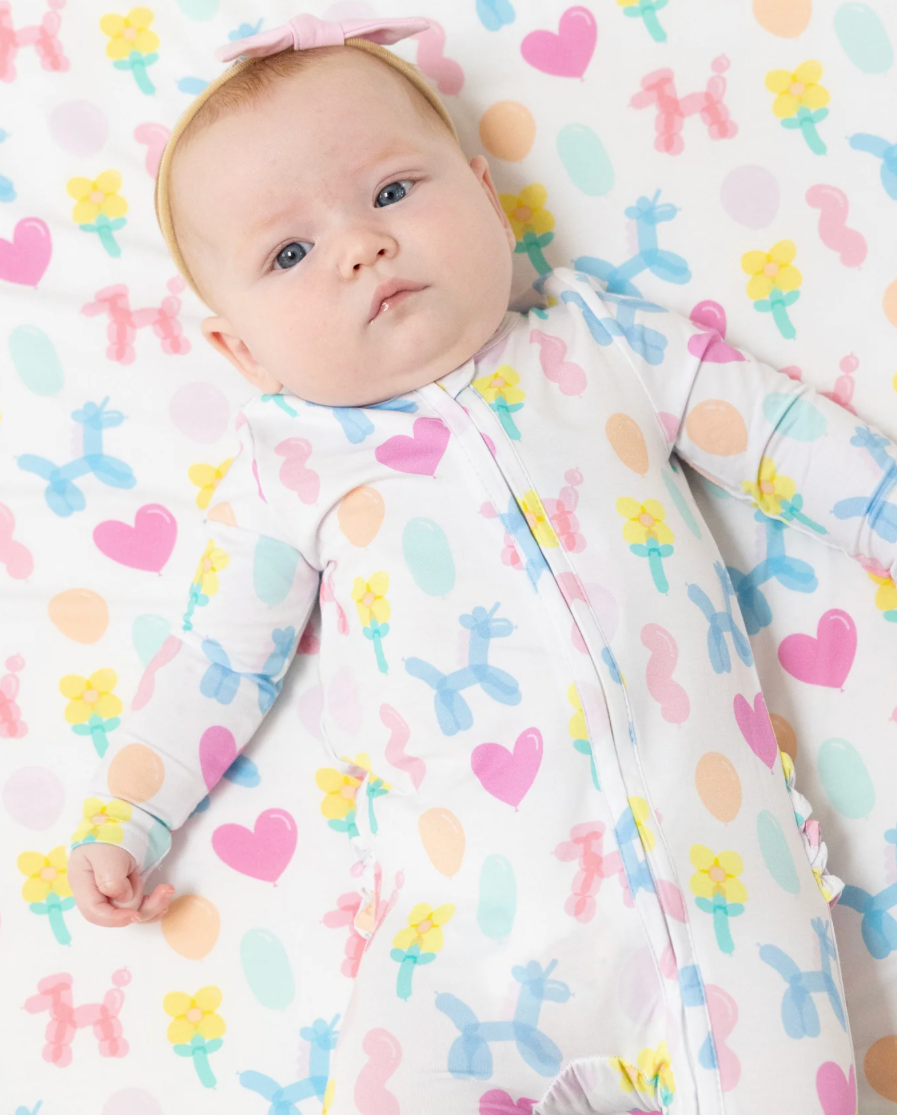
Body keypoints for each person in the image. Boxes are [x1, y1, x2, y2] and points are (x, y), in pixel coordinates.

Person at [67, 13, 896, 1114]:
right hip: (461, 949)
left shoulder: (603, 347)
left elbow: (787, 440)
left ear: (484, 193)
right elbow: (218, 659)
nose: (361, 246)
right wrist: (128, 814)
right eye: (290, 253)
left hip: (729, 905)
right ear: (241, 348)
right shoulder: (288, 471)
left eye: (393, 192)